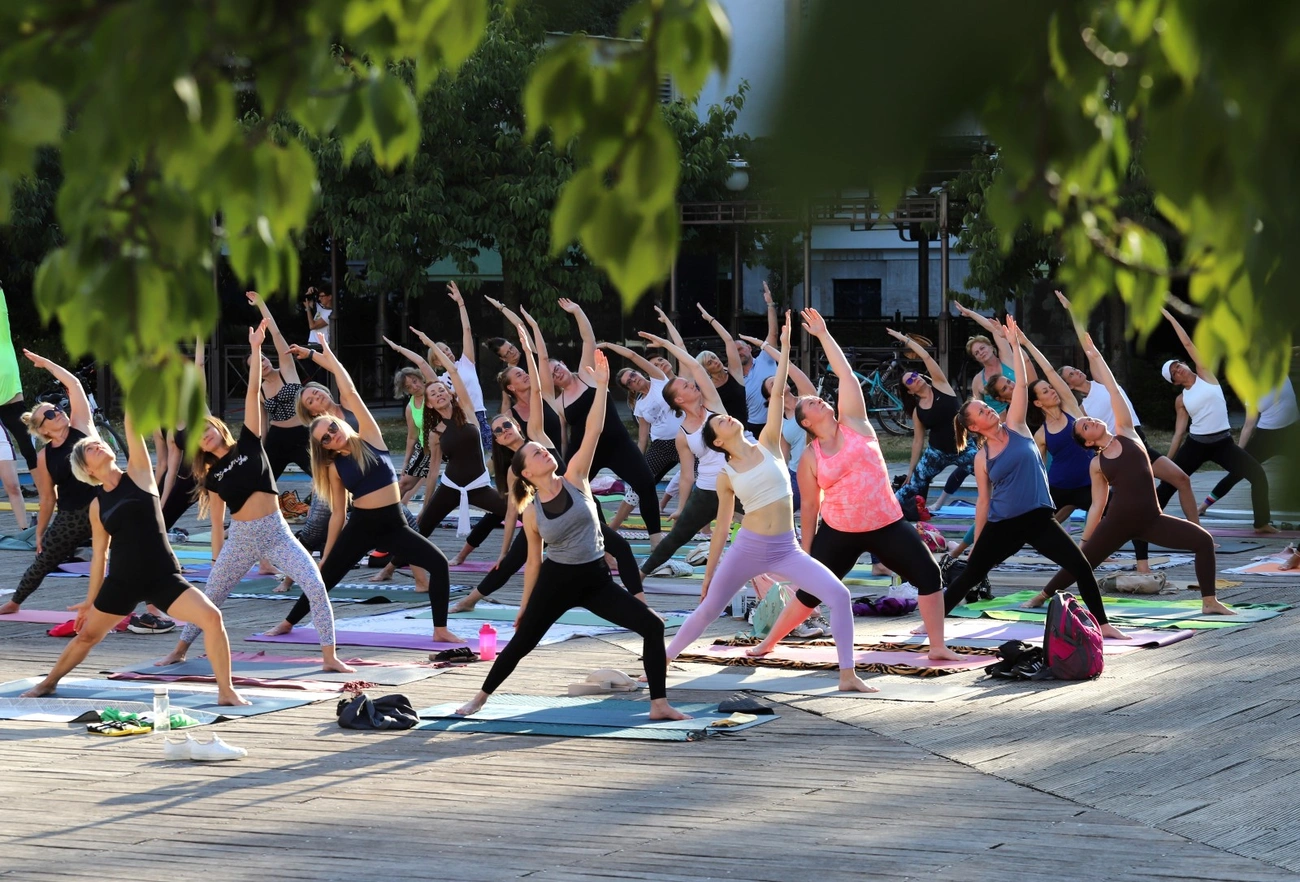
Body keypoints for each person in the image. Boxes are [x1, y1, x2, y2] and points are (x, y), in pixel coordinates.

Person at [454, 351, 688, 721]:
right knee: (521, 643)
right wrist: (525, 605)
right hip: (556, 582)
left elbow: (593, 431)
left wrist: (602, 388)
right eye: (536, 454)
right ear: (526, 473)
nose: (544, 453)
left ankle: (659, 704)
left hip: (596, 580)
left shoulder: (575, 478)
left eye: (542, 449)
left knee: (652, 626)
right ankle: (479, 698)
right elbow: (533, 563)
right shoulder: (532, 512)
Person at [661, 313, 875, 693]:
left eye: (726, 417)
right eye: (721, 423)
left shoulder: (769, 444)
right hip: (748, 548)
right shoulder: (726, 474)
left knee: (840, 596)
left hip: (786, 549)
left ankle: (847, 675)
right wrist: (709, 574)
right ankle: (659, 664)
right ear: (718, 442)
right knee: (708, 609)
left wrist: (785, 347)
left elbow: (777, 395)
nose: (728, 419)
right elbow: (722, 528)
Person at [746, 310, 959, 663]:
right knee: (810, 593)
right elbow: (810, 507)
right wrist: (806, 555)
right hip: (839, 531)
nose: (818, 399)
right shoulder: (811, 456)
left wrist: (823, 335)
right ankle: (768, 642)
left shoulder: (855, 424)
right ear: (806, 423)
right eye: (811, 403)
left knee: (929, 574)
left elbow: (845, 374)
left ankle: (937, 645)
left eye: (817, 398)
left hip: (886, 523)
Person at [155, 322, 354, 672]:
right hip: (242, 539)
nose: (205, 435)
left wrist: (257, 348)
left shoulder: (249, 442)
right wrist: (217, 561)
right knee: (210, 598)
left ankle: (329, 657)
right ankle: (179, 649)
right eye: (198, 436)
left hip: (277, 533)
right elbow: (217, 523)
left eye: (207, 428)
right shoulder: (212, 477)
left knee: (315, 586)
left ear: (218, 427)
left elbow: (251, 393)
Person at [21, 415, 249, 706]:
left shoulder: (139, 474)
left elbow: (132, 426)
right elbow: (100, 555)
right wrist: (90, 600)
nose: (99, 446)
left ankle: (226, 691)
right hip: (122, 582)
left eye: (99, 443)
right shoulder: (97, 505)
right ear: (87, 469)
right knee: (87, 637)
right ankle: (48, 683)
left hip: (163, 577)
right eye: (90, 449)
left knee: (212, 618)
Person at [938, 315, 1126, 639]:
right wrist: (977, 541)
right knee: (971, 574)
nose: (988, 410)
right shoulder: (982, 458)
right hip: (1002, 524)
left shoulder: (1017, 426)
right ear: (973, 427)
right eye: (981, 411)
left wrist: (1015, 345)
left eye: (987, 407)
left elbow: (1022, 387)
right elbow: (983, 503)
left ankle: (1104, 625)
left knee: (1080, 566)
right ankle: (932, 623)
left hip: (1039, 519)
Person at [265, 339, 462, 647]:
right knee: (327, 576)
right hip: (361, 525)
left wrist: (320, 353)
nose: (331, 435)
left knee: (438, 564)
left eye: (332, 429)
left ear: (338, 425)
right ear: (322, 447)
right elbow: (338, 514)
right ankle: (288, 622)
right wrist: (329, 554)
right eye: (325, 438)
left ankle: (440, 629)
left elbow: (348, 388)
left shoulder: (370, 436)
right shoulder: (333, 466)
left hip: (393, 523)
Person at [1022, 335, 1234, 616]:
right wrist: (1086, 540)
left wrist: (1095, 355)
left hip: (1152, 520)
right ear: (1088, 442)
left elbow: (1112, 389)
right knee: (1083, 561)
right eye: (1085, 426)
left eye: (1089, 419)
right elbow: (1097, 505)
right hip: (1116, 523)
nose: (1090, 420)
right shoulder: (1096, 464)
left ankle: (1209, 601)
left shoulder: (1127, 432)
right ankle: (1042, 595)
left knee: (1203, 541)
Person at [451, 322, 644, 611]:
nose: (504, 430)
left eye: (506, 425)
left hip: (576, 503)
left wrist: (527, 348)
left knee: (621, 548)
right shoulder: (515, 470)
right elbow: (512, 512)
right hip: (547, 519)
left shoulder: (536, 434)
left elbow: (538, 388)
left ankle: (640, 603)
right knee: (511, 563)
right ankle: (470, 600)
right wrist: (503, 551)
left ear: (517, 426)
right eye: (499, 431)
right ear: (498, 441)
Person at [1053, 290, 1200, 532]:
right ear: (1068, 384)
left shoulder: (1101, 380)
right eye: (1071, 374)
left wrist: (1074, 313)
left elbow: (1090, 349)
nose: (1076, 372)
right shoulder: (1082, 409)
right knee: (1087, 499)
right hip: (1121, 450)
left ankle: (1198, 533)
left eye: (1074, 369)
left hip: (1139, 440)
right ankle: (1048, 530)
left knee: (1182, 479)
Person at [373, 333, 505, 573]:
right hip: (450, 487)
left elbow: (449, 371)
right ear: (430, 404)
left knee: (518, 511)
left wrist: (427, 343)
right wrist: (426, 505)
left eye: (442, 390)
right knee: (422, 528)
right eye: (433, 394)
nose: (439, 394)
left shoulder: (467, 411)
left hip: (478, 485)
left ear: (450, 394)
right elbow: (433, 472)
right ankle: (389, 569)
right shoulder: (435, 433)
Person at [546, 298, 665, 548]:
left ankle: (656, 540)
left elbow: (588, 339)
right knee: (578, 493)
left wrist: (577, 311)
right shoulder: (558, 403)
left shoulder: (587, 373)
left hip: (618, 443)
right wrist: (564, 464)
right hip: (587, 451)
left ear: (563, 365)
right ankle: (602, 540)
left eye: (557, 368)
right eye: (552, 375)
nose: (557, 373)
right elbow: (564, 438)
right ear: (552, 382)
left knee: (645, 484)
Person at [635, 316, 742, 580]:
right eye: (685, 386)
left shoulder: (713, 405)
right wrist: (681, 506)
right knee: (677, 536)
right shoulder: (682, 434)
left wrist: (664, 344)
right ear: (679, 399)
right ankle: (640, 576)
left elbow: (694, 365)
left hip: (740, 481)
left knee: (767, 525)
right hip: (707, 489)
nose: (691, 384)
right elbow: (685, 476)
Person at [1156, 308, 1275, 533]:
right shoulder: (1181, 400)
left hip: (1223, 444)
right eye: (1174, 372)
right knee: (1169, 483)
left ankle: (1262, 523)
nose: (1179, 370)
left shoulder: (1206, 375)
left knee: (1258, 475)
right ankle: (1147, 520)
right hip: (1196, 445)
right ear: (1174, 382)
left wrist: (1170, 317)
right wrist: (1165, 462)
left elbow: (1188, 344)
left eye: (1178, 365)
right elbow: (1179, 433)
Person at [0, 352, 98, 615]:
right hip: (72, 515)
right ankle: (15, 602)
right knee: (44, 559)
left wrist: (47, 364)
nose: (59, 412)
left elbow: (74, 385)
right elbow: (47, 498)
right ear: (43, 429)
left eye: (57, 409)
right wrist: (40, 532)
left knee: (136, 550)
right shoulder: (45, 457)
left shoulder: (82, 426)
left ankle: (153, 608)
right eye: (51, 414)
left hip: (106, 503)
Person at [888, 327, 974, 511]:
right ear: (909, 391)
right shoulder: (918, 411)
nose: (915, 379)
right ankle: (889, 512)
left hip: (964, 447)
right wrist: (911, 471)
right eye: (910, 381)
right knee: (908, 489)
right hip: (937, 453)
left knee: (993, 474)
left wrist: (905, 339)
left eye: (914, 375)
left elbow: (926, 357)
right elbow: (918, 441)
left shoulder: (941, 386)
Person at [601, 341, 682, 531]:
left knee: (706, 477)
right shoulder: (639, 406)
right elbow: (643, 438)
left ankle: (700, 526)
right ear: (630, 389)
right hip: (661, 447)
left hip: (685, 440)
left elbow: (633, 356)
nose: (633, 380)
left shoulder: (659, 379)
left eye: (633, 375)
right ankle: (612, 529)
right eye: (629, 382)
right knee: (638, 486)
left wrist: (608, 345)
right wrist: (636, 462)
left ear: (639, 373)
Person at [1019, 329, 1097, 522]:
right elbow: (1038, 471)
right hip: (1059, 487)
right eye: (1045, 391)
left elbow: (1050, 371)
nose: (1052, 391)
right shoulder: (1041, 435)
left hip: (1089, 484)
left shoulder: (1070, 408)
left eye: (1051, 388)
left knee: (1119, 514)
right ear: (1038, 402)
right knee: (1038, 525)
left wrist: (1026, 343)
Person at [1202, 376, 1298, 515]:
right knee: (1238, 471)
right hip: (1265, 438)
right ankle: (1204, 506)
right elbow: (1249, 425)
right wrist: (1239, 452)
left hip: (1292, 432)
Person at [247, 291, 313, 482]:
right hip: (277, 438)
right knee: (263, 482)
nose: (263, 363)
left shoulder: (287, 370)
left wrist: (261, 304)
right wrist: (259, 450)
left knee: (324, 476)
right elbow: (262, 426)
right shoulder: (259, 391)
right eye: (257, 363)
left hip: (303, 433)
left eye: (263, 358)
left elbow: (276, 333)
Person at [435, 281, 492, 451]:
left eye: (447, 349)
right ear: (437, 362)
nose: (447, 352)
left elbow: (467, 330)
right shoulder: (440, 380)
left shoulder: (465, 363)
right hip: (459, 419)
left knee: (490, 455)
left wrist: (461, 303)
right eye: (442, 353)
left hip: (478, 413)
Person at [955, 302, 1034, 415]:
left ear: (991, 347)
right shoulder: (978, 380)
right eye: (976, 353)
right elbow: (978, 410)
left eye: (982, 348)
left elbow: (994, 329)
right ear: (976, 359)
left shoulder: (1006, 358)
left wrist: (971, 314)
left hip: (1025, 413)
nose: (981, 353)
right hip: (998, 421)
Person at [0, 286, 37, 470]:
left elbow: (2, 311)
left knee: (27, 447)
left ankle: (43, 485)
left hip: (11, 401)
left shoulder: (2, 336)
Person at [692, 302, 749, 420]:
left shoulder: (734, 374)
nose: (715, 362)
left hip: (744, 428)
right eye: (709, 363)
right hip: (722, 429)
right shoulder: (707, 388)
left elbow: (729, 340)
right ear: (706, 370)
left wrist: (710, 319)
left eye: (714, 358)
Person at [740, 281, 780, 436]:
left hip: (779, 421)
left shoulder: (765, 358)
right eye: (734, 351)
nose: (738, 353)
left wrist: (770, 305)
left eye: (740, 348)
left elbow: (773, 334)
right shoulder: (735, 377)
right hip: (754, 427)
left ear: (749, 348)